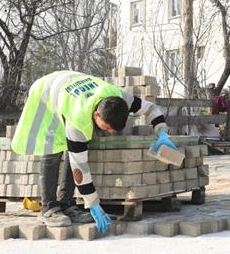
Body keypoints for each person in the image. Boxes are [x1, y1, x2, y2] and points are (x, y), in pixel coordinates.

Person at [11, 71, 177, 231]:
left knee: (72, 150)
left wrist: (162, 132)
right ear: (97, 114)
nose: (108, 132)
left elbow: (151, 109)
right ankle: (48, 208)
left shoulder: (119, 97)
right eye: (106, 127)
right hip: (47, 91)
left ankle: (67, 204)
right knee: (53, 148)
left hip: (72, 82)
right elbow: (79, 168)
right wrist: (93, 203)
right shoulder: (78, 119)